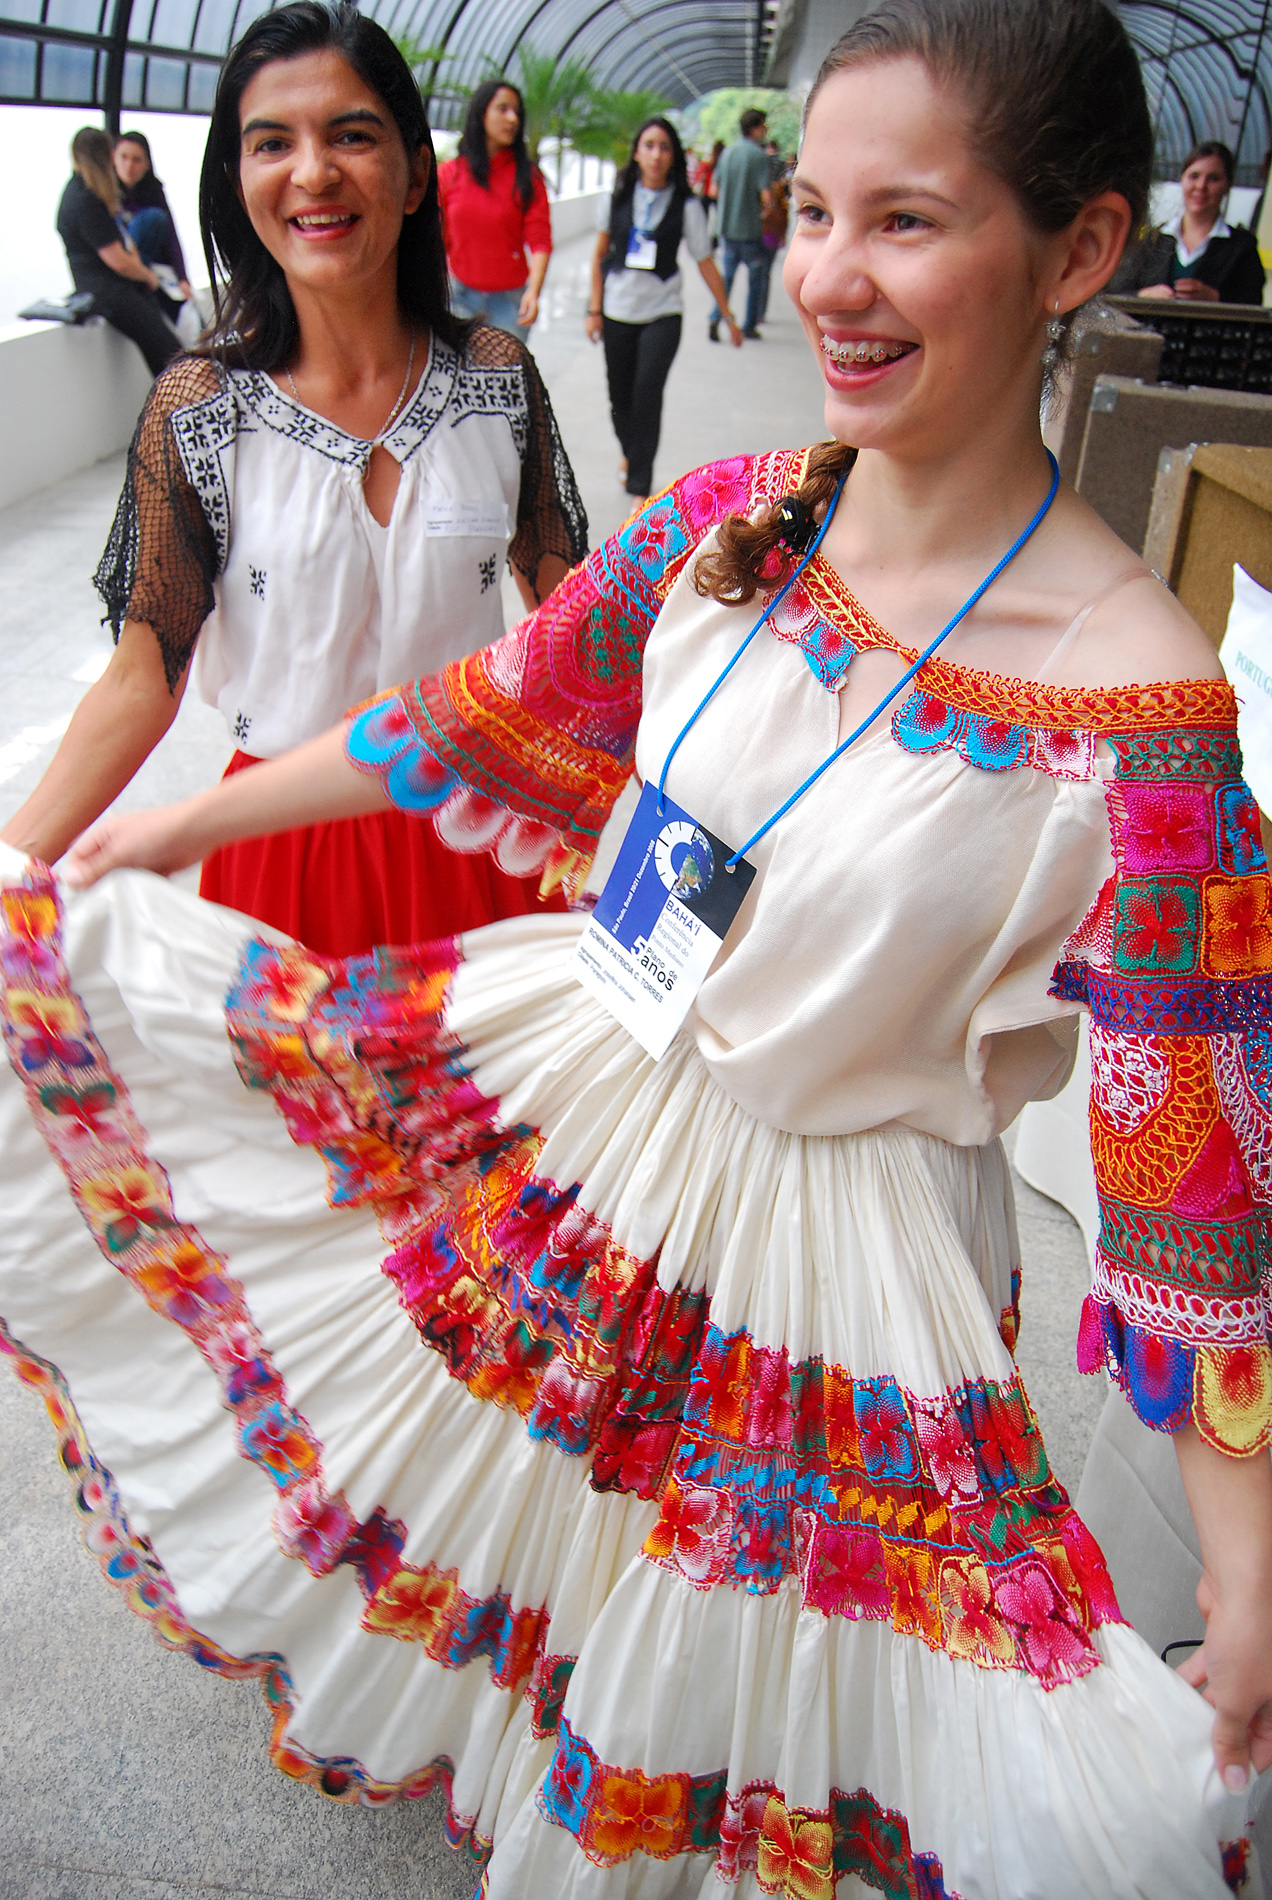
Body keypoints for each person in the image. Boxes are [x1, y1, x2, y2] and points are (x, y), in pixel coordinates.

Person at [4, 1, 1272, 1892]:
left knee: (729, 1718)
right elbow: (478, 708)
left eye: (907, 221)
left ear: (1083, 249)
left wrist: (1243, 1586)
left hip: (832, 1280)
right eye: (820, 211)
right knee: (551, 1542)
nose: (831, 277)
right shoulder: (727, 522)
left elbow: (1192, 1212)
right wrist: (163, 824)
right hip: (592, 1128)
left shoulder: (1147, 722)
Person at [4, 4, 586, 958]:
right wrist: (17, 861)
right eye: (272, 143)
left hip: (484, 843)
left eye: (351, 135)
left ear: (410, 175)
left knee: (495, 1110)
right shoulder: (199, 409)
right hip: (277, 861)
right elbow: (142, 678)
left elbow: (573, 621)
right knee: (288, 1110)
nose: (313, 172)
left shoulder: (497, 379)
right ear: (237, 183)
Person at [586, 117, 741, 507]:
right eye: (649, 145)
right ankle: (631, 450)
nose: (656, 155)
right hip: (618, 310)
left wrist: (727, 313)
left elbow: (704, 260)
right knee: (619, 399)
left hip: (663, 313)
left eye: (665, 147)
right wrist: (593, 308)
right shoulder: (617, 198)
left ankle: (640, 483)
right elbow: (599, 256)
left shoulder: (687, 206)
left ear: (674, 157)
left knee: (647, 394)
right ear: (637, 153)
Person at [55, 126, 182, 375]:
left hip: (110, 285)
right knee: (166, 349)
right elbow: (118, 261)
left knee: (165, 347)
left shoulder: (85, 193)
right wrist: (148, 277)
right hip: (107, 289)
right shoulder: (84, 199)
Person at [438, 80, 552, 342]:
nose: (512, 118)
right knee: (459, 380)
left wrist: (533, 292)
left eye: (517, 112)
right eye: (503, 109)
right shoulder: (449, 174)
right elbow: (435, 235)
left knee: (504, 382)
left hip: (510, 304)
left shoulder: (528, 178)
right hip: (459, 299)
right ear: (481, 114)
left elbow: (540, 240)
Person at [1110, 140, 1265, 304]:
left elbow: (1254, 305)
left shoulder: (1242, 248)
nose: (1201, 186)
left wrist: (1216, 298)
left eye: (1213, 178)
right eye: (1194, 176)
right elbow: (1116, 294)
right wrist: (1142, 295)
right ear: (1182, 179)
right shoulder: (1152, 241)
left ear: (1228, 185)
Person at [708, 106, 773, 341]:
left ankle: (716, 316)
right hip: (749, 230)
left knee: (727, 277)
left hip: (727, 229)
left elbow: (713, 189)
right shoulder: (759, 156)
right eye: (763, 125)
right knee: (756, 277)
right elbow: (765, 195)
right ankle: (749, 325)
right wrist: (767, 210)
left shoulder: (727, 153)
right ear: (755, 128)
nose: (765, 130)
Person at [113, 130, 195, 313]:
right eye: (124, 157)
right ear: (113, 158)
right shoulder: (106, 194)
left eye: (137, 160)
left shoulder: (154, 192)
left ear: (147, 164)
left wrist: (183, 278)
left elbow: (171, 237)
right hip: (120, 267)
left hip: (150, 266)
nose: (129, 166)